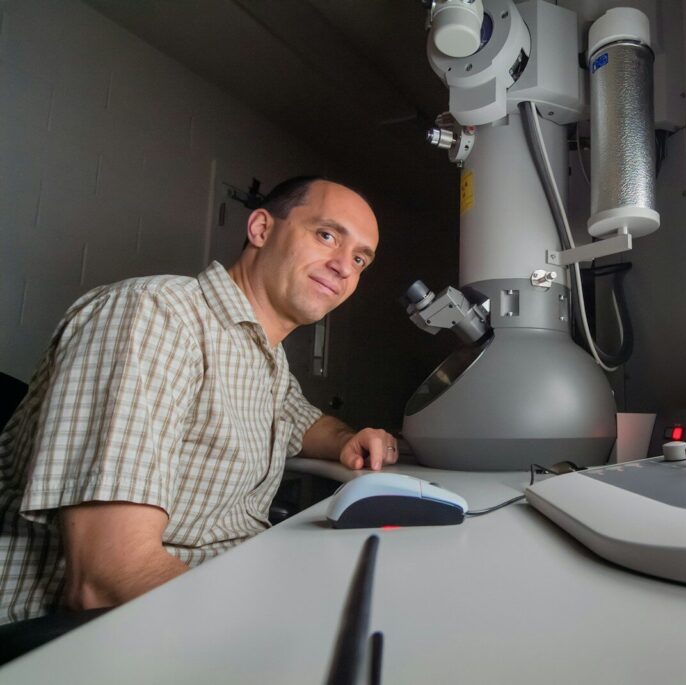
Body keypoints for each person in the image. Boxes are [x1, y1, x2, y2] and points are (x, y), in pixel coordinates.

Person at [0, 176, 398, 625]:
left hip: (203, 593)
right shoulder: (156, 315)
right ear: (262, 229)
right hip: (70, 631)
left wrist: (350, 438)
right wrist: (268, 642)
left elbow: (301, 421)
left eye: (361, 259)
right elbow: (103, 579)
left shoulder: (263, 354)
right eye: (327, 235)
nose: (345, 267)